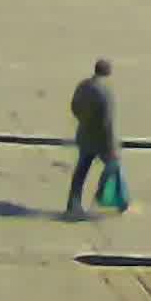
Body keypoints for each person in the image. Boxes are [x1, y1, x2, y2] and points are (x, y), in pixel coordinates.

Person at [61, 59, 125, 219]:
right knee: (113, 166)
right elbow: (107, 122)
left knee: (81, 171)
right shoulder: (105, 92)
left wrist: (84, 121)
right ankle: (114, 199)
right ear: (108, 73)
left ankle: (73, 203)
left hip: (85, 135)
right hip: (102, 139)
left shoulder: (83, 86)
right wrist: (112, 145)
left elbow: (74, 106)